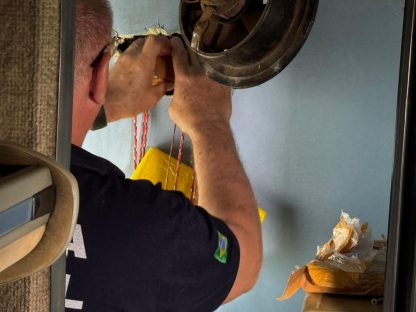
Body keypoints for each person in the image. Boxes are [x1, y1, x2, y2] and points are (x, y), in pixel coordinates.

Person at [66, 0, 262, 311]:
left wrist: (104, 102)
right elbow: (243, 257)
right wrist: (208, 121)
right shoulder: (129, 221)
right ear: (103, 70)